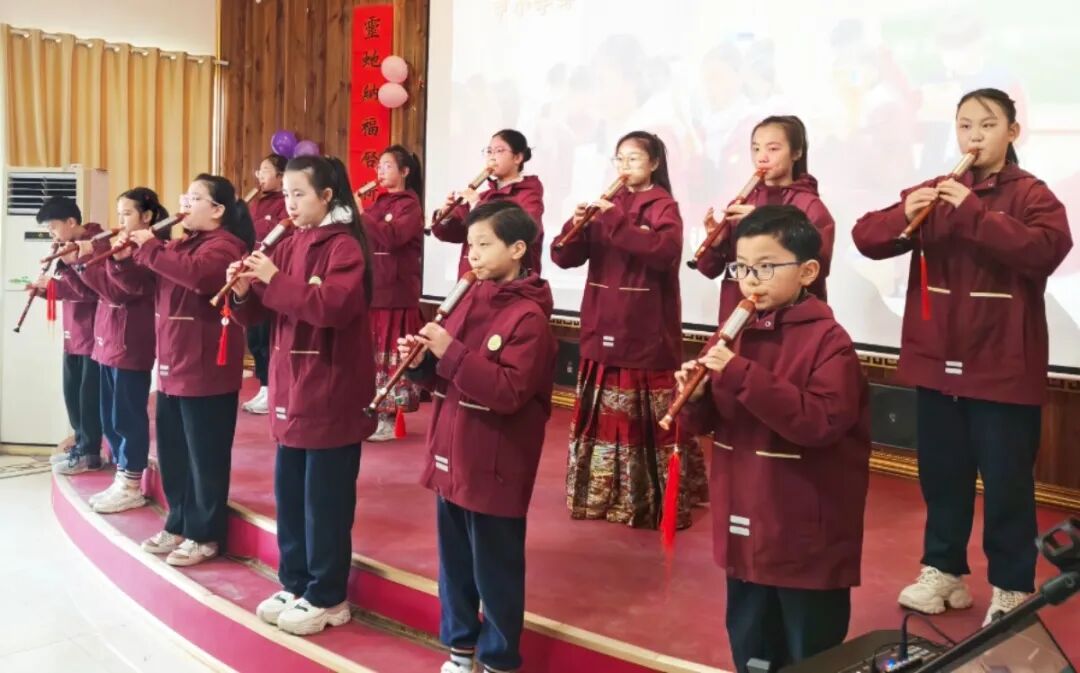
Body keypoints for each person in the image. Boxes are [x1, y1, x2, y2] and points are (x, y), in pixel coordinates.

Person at [851, 88, 1072, 624]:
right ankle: (943, 570)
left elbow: (1046, 251)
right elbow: (865, 237)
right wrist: (902, 214)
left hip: (1002, 367)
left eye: (987, 125)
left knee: (1006, 483)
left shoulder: (1032, 194)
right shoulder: (936, 189)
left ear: (1012, 132)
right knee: (942, 476)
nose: (973, 137)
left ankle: (1012, 586)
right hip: (937, 361)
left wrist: (974, 214)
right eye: (965, 125)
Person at [677, 205, 870, 673]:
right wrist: (694, 398)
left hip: (803, 531)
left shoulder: (830, 341)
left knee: (811, 652)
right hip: (744, 516)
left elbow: (820, 422)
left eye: (766, 267)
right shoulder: (732, 332)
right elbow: (707, 422)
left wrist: (740, 373)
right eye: (742, 268)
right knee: (751, 644)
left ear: (807, 272)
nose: (751, 280)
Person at [402, 200, 556, 673]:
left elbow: (508, 391)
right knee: (454, 566)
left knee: (496, 570)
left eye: (484, 244)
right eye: (470, 245)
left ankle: (498, 658)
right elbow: (445, 375)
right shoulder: (468, 297)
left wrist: (449, 351)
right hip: (452, 453)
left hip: (495, 463)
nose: (473, 254)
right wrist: (422, 362)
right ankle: (460, 648)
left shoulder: (529, 318)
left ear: (517, 249)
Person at [551, 130, 707, 529]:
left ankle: (645, 501)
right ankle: (598, 496)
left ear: (654, 163)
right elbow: (565, 256)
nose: (624, 167)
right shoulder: (609, 203)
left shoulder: (663, 205)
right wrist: (575, 225)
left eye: (634, 159)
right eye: (619, 159)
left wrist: (615, 221)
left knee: (646, 418)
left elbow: (664, 253)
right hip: (602, 316)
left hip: (644, 326)